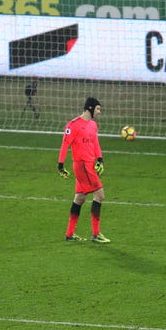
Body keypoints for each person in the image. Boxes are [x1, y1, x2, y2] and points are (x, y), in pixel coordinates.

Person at [57, 97, 110, 244]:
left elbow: (95, 142)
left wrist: (100, 159)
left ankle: (69, 233)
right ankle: (96, 234)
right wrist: (60, 165)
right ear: (90, 108)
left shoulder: (93, 125)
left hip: (89, 164)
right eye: (98, 109)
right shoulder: (73, 125)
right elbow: (64, 145)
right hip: (82, 166)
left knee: (79, 198)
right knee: (100, 195)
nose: (99, 112)